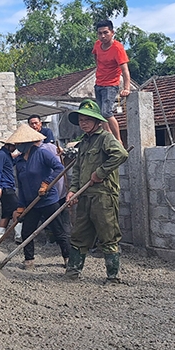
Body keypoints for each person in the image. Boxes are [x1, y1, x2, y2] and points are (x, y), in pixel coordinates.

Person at [64, 99, 129, 283]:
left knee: (108, 236)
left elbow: (121, 154)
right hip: (84, 196)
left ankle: (113, 276)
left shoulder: (105, 138)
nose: (83, 123)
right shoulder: (83, 143)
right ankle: (73, 272)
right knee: (79, 235)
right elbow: (77, 169)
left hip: (103, 196)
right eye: (81, 120)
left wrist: (100, 173)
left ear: (97, 121)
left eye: (87, 120)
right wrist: (73, 190)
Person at [8, 125, 70, 270]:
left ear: (27, 142)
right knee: (27, 231)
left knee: (58, 230)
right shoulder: (20, 162)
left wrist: (47, 183)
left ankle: (68, 258)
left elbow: (59, 168)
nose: (17, 146)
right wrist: (21, 205)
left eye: (19, 144)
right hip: (31, 202)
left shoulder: (42, 153)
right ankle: (29, 260)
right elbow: (21, 185)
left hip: (48, 199)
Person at [92, 19, 131, 142]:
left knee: (106, 112)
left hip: (111, 85)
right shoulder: (97, 45)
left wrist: (126, 88)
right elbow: (95, 56)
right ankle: (108, 138)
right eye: (100, 33)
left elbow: (125, 71)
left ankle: (118, 140)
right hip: (98, 83)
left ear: (112, 32)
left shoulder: (117, 48)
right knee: (99, 114)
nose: (102, 36)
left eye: (105, 32)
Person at [0, 141, 17, 241]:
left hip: (8, 186)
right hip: (5, 187)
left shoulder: (7, 155)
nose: (15, 148)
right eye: (14, 146)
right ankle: (19, 235)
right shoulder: (1, 155)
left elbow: (10, 164)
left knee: (6, 213)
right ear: (8, 145)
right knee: (17, 209)